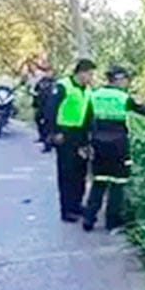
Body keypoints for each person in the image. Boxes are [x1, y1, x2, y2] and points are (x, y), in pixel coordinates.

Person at [82, 65, 145, 232]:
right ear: (119, 79)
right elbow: (143, 110)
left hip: (98, 145)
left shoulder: (95, 95)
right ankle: (112, 221)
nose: (127, 83)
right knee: (117, 184)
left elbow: (86, 120)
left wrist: (86, 143)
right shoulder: (123, 97)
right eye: (125, 79)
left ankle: (89, 219)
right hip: (118, 145)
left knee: (99, 182)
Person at [49, 59, 97, 223]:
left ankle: (77, 205)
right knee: (67, 173)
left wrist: (91, 137)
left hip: (80, 135)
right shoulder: (63, 86)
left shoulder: (88, 90)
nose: (90, 78)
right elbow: (50, 110)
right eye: (89, 74)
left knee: (80, 172)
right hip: (65, 134)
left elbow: (90, 115)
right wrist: (54, 132)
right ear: (81, 72)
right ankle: (67, 209)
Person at [31, 62, 55, 153]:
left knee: (48, 126)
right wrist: (35, 103)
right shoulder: (41, 82)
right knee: (38, 120)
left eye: (50, 71)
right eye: (46, 71)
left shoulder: (55, 83)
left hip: (50, 108)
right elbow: (35, 93)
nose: (48, 73)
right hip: (41, 106)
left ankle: (48, 145)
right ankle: (42, 137)